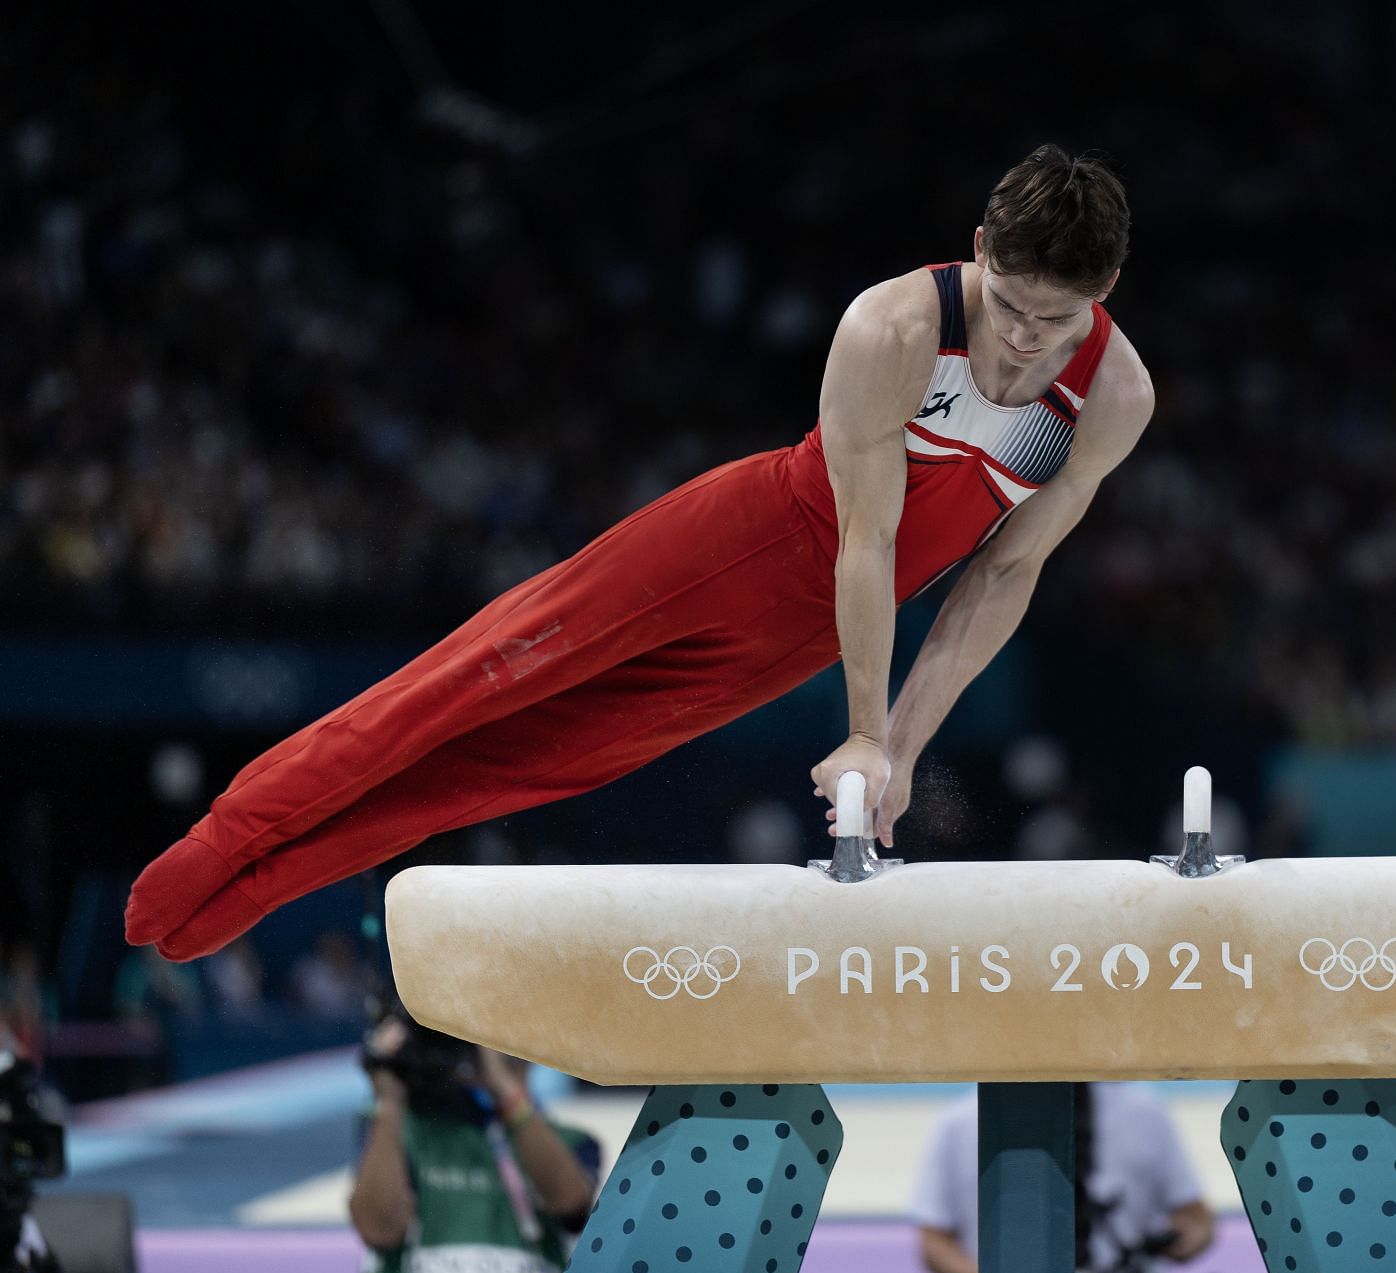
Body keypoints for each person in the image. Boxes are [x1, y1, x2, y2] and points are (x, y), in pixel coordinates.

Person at [124, 143, 1153, 961]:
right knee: (469, 684)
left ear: (1104, 289)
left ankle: (251, 893)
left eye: (1052, 319)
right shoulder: (893, 326)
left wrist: (901, 750)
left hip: (797, 639)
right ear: (978, 245)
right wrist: (864, 726)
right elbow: (869, 537)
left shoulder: (1111, 397)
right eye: (1008, 304)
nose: (1022, 339)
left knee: (530, 764)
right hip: (739, 542)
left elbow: (1004, 572)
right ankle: (225, 838)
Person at [350, 1014, 599, 1273]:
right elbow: (378, 1231)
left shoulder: (571, 1140)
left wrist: (502, 1087)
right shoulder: (401, 1130)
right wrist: (389, 1103)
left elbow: (571, 1204)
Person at [911, 1082, 1215, 1273]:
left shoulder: (1143, 1110)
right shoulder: (959, 1122)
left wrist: (1182, 1239)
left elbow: (1194, 1215)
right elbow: (934, 1242)